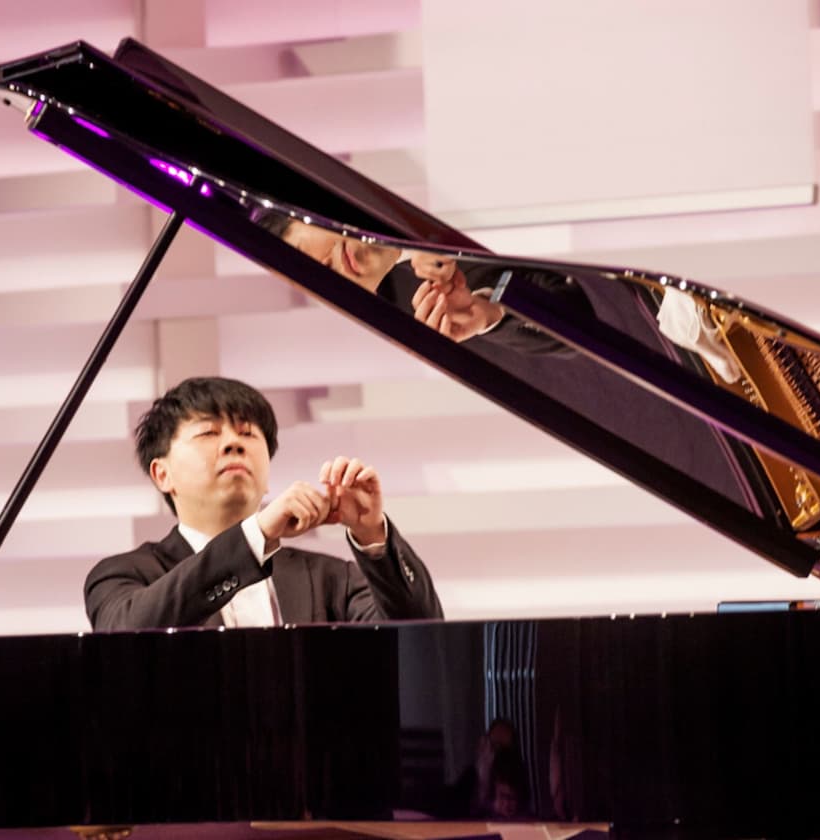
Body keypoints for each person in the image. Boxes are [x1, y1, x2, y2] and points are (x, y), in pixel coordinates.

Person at [83, 376, 442, 630]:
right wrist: (257, 533)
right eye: (209, 432)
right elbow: (126, 635)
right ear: (162, 474)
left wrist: (371, 535)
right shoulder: (125, 575)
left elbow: (421, 640)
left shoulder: (332, 579)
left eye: (248, 434)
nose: (233, 444)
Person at [254, 211, 589, 357]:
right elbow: (586, 327)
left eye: (306, 258)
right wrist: (490, 312)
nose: (328, 271)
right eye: (321, 286)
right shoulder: (427, 308)